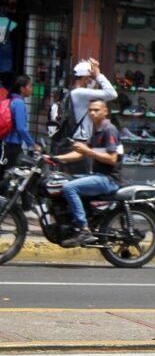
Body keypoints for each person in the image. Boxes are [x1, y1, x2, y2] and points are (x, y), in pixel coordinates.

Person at [52, 99, 122, 248]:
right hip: (97, 176)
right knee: (63, 181)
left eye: (96, 110)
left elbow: (112, 159)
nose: (92, 113)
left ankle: (84, 230)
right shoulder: (95, 129)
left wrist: (87, 150)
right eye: (90, 110)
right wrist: (56, 158)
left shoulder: (109, 130)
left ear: (105, 111)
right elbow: (80, 154)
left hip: (108, 179)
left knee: (69, 187)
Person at [68, 58, 118, 174]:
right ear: (86, 78)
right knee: (81, 179)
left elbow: (94, 92)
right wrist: (99, 75)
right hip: (80, 141)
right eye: (90, 77)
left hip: (74, 140)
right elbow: (112, 94)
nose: (92, 79)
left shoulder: (74, 92)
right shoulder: (80, 93)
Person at [1, 75, 40, 172]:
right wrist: (33, 145)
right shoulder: (19, 103)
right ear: (22, 88)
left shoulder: (11, 100)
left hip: (6, 144)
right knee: (10, 175)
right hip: (12, 146)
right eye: (30, 86)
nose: (31, 89)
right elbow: (21, 128)